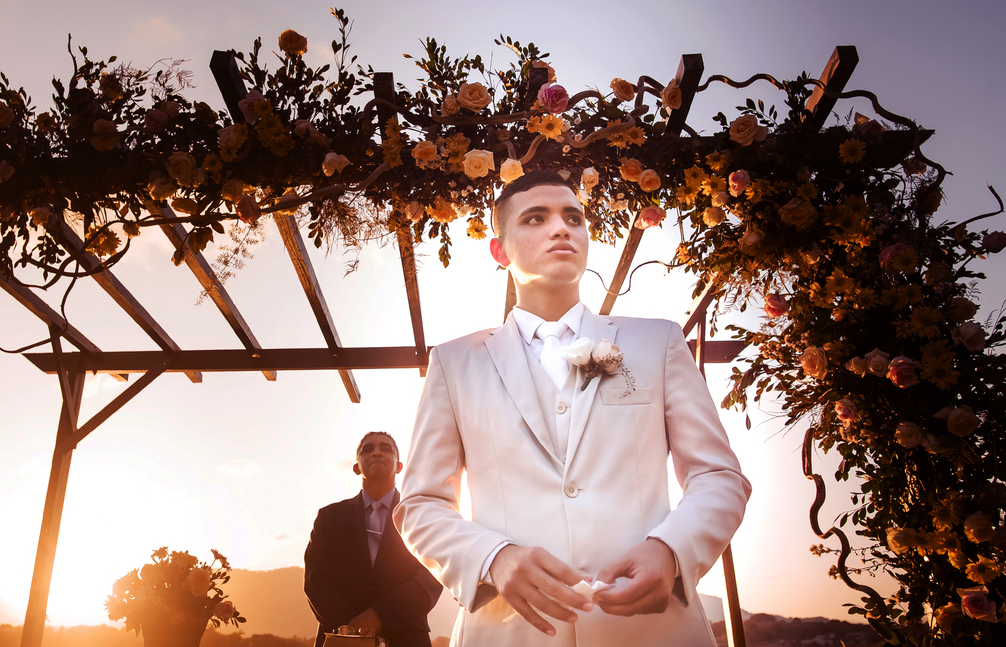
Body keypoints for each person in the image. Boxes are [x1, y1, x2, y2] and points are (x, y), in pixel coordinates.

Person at [394, 170, 751, 646]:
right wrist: (494, 559)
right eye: (535, 218)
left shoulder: (658, 342)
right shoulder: (454, 362)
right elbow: (421, 504)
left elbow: (719, 476)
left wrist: (669, 551)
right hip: (509, 634)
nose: (560, 228)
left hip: (653, 633)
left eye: (573, 218)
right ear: (500, 251)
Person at [304, 431, 444, 647]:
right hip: (341, 637)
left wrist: (382, 615)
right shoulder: (329, 517)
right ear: (356, 467)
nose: (376, 453)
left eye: (385, 448)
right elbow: (316, 577)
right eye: (367, 449)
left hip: (407, 637)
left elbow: (432, 575)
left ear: (399, 466)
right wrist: (353, 626)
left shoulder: (422, 516)